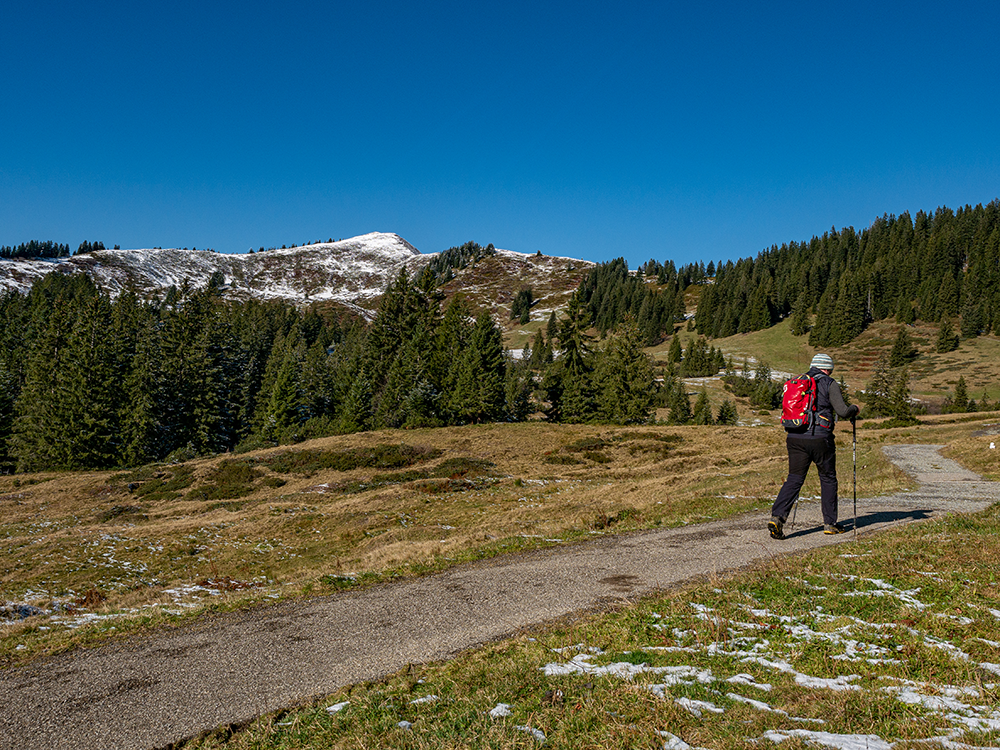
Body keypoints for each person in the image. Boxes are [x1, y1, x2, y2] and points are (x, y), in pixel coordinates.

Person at [768, 353, 860, 539]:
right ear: (828, 369)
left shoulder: (798, 382)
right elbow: (842, 411)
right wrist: (855, 409)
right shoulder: (829, 383)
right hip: (820, 438)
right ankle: (830, 524)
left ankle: (777, 517)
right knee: (827, 478)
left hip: (794, 436)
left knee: (794, 478)